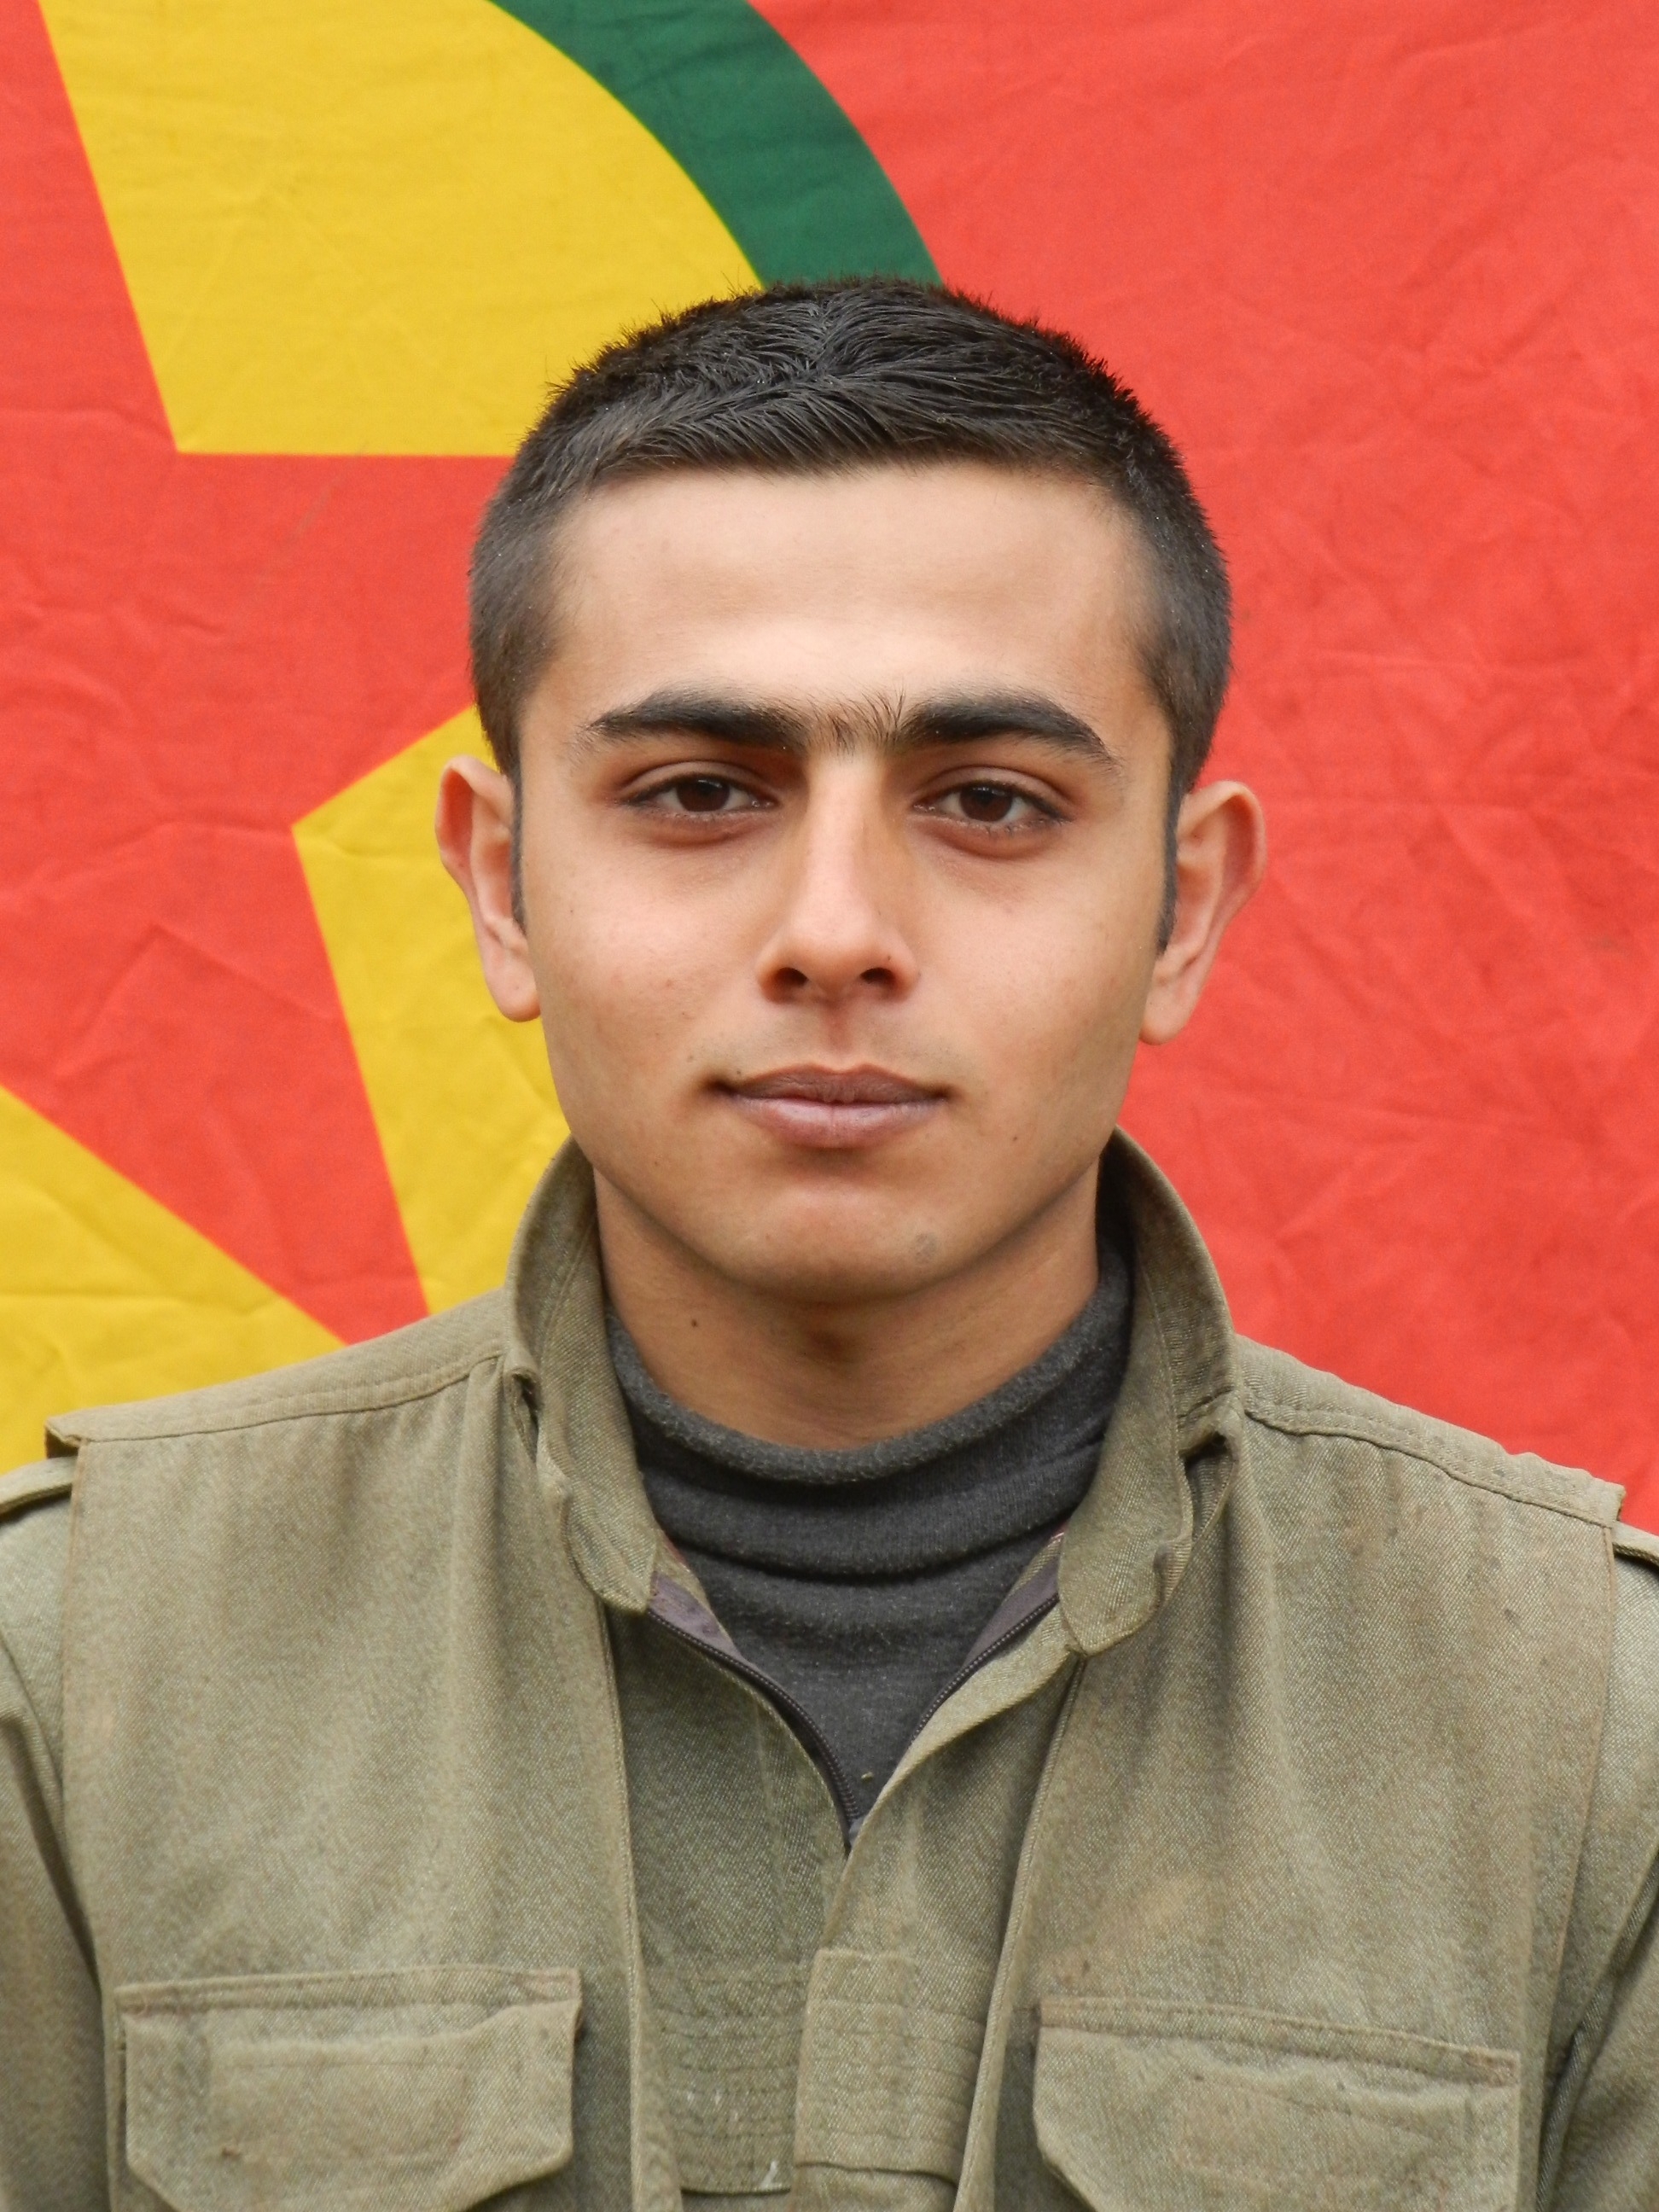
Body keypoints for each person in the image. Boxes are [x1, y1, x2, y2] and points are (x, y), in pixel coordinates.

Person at [1, 281, 1654, 2211]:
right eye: (701, 793)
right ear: (502, 883)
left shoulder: (1588, 1742)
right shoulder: (79, 1681)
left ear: (1183, 906)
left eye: (991, 803)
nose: (838, 931)